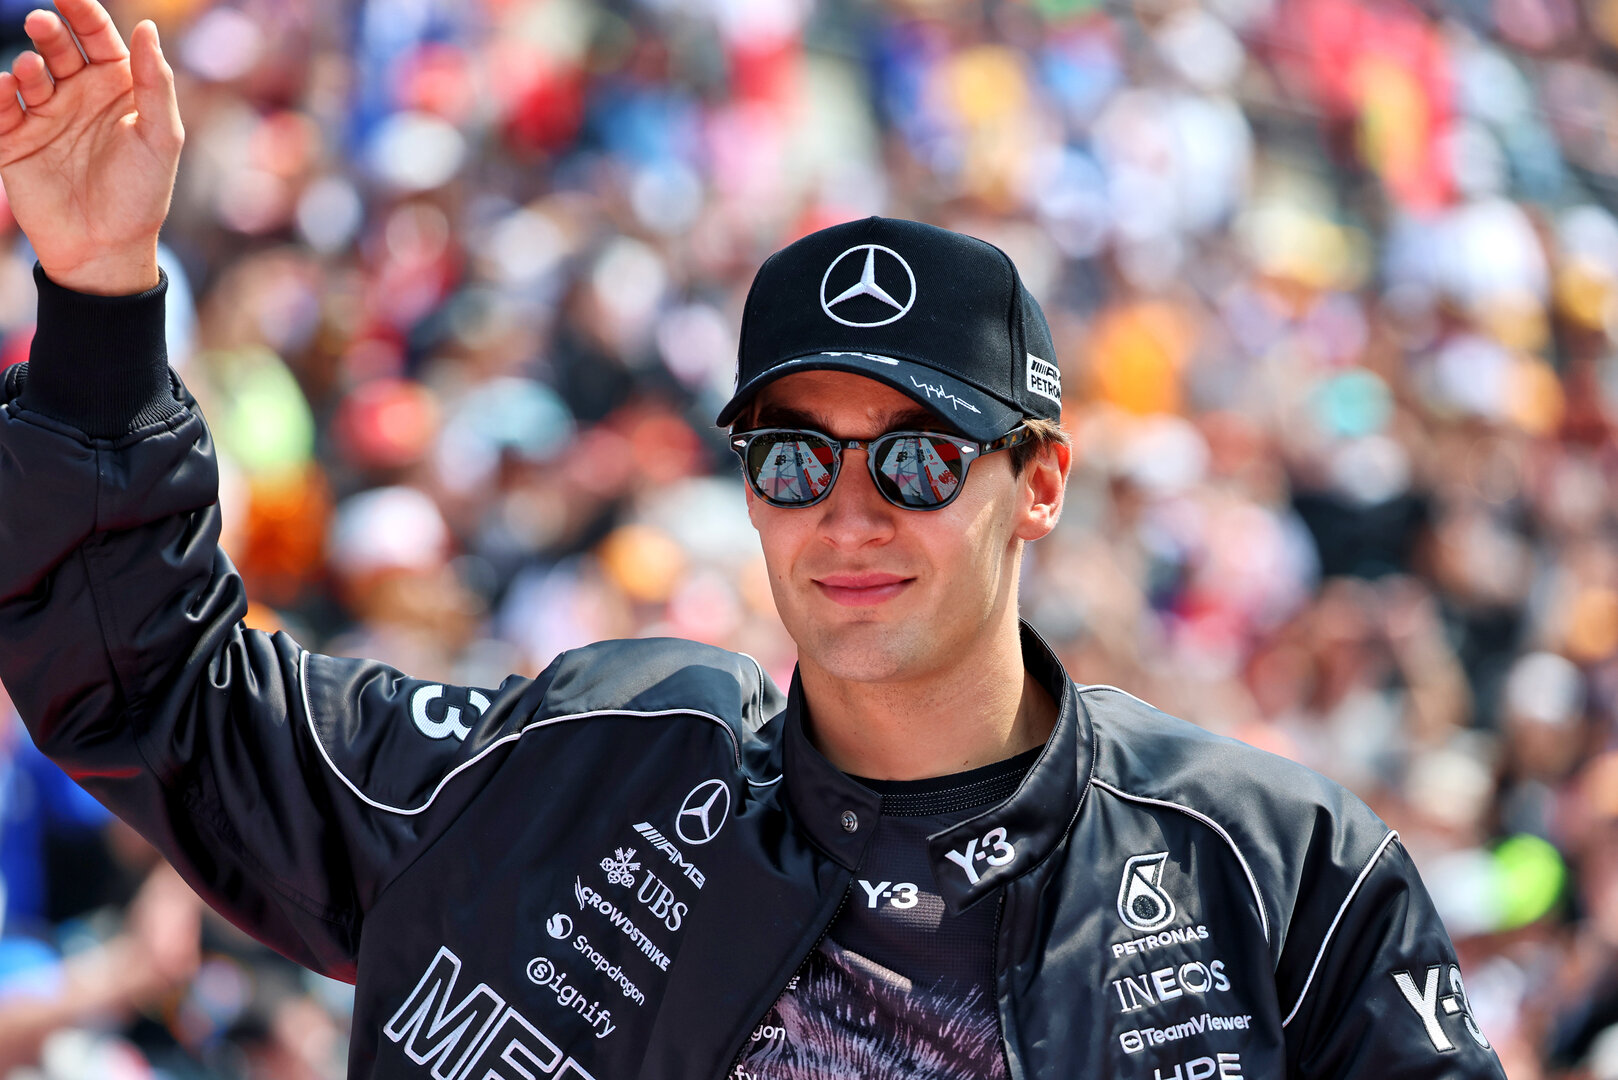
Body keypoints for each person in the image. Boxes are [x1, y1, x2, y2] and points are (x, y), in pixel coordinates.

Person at [0, 3, 1507, 1078]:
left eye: (916, 458)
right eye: (794, 458)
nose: (848, 510)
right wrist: (99, 293)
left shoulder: (1279, 873)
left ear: (1038, 481)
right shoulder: (582, 774)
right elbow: (160, 691)